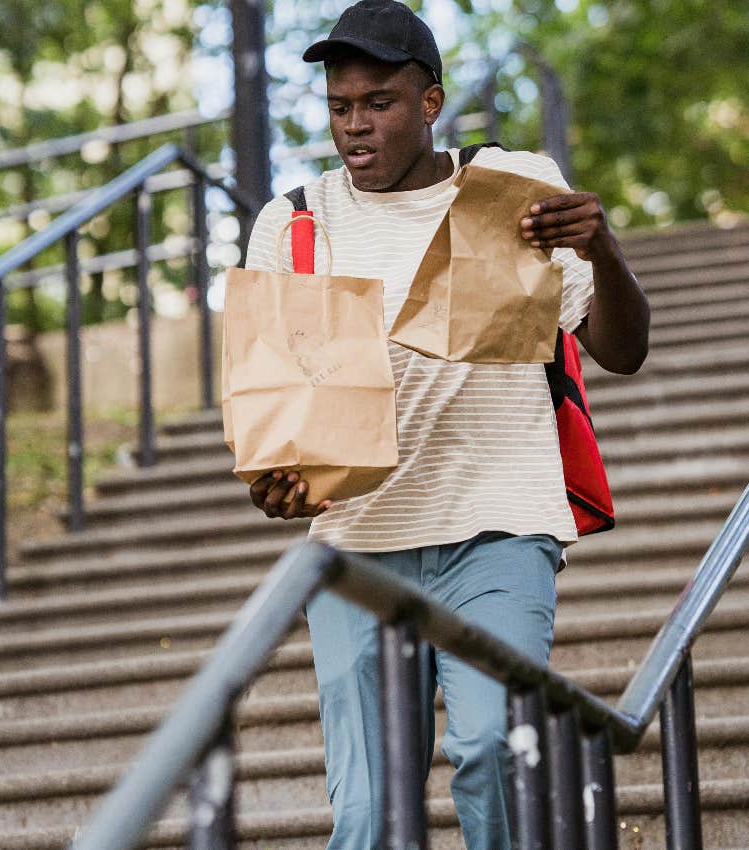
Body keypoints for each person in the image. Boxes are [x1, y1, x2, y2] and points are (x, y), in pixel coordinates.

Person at [242, 1, 650, 847]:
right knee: (366, 812)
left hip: (497, 527)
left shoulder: (511, 187)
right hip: (356, 549)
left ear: (429, 104)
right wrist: (277, 489)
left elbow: (624, 351)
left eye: (379, 103)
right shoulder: (293, 225)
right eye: (340, 106)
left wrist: (603, 248)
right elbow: (278, 425)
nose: (355, 127)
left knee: (495, 749)